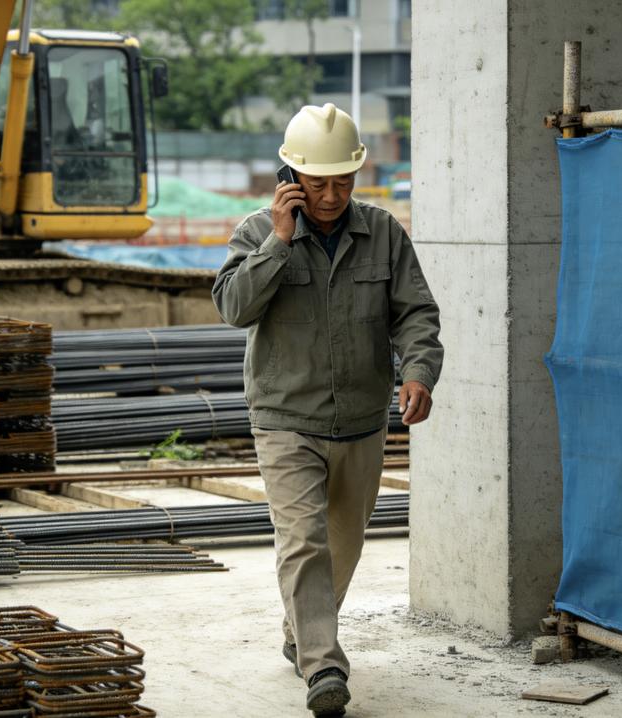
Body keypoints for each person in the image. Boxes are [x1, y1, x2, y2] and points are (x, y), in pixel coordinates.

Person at [212, 103, 443, 716]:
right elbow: (233, 309)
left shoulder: (384, 232)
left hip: (362, 419)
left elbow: (415, 312)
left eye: (344, 181)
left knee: (343, 544)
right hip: (286, 418)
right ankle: (324, 667)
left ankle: (301, 631)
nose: (334, 195)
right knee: (304, 542)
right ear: (291, 177)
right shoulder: (258, 233)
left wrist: (418, 371)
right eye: (319, 183)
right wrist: (280, 244)